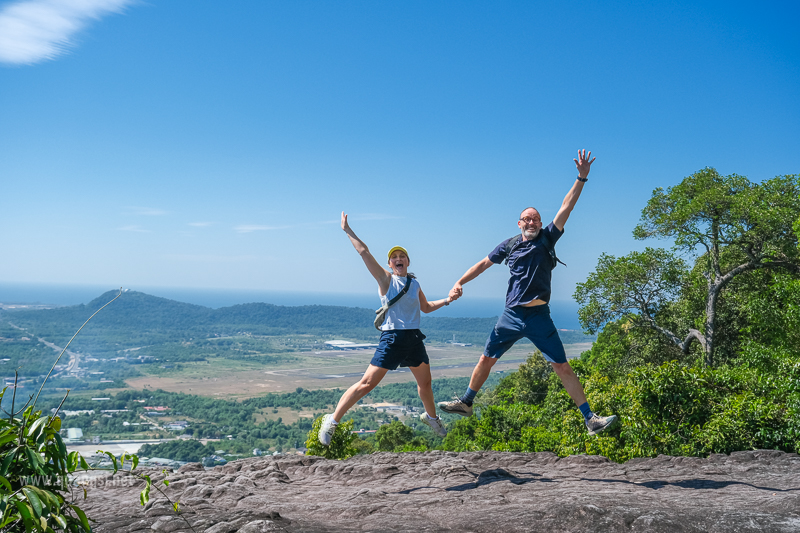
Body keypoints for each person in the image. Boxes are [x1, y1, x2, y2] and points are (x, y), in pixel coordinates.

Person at [439, 150, 618, 436]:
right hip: (511, 315)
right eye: (527, 219)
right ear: (519, 223)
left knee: (562, 367)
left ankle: (590, 419)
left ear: (540, 222)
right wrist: (459, 281)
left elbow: (566, 206)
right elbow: (484, 263)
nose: (532, 222)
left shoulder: (548, 236)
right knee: (486, 359)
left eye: (535, 218)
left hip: (538, 316)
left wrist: (582, 177)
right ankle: (466, 402)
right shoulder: (510, 244)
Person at [318, 212, 457, 446]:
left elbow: (425, 307)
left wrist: (447, 299)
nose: (398, 258)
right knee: (366, 384)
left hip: (413, 338)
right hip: (392, 338)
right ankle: (332, 421)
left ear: (408, 262)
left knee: (425, 384)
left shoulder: (414, 284)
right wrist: (347, 230)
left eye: (402, 256)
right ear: (389, 264)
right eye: (394, 257)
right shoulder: (386, 281)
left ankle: (432, 418)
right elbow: (364, 252)